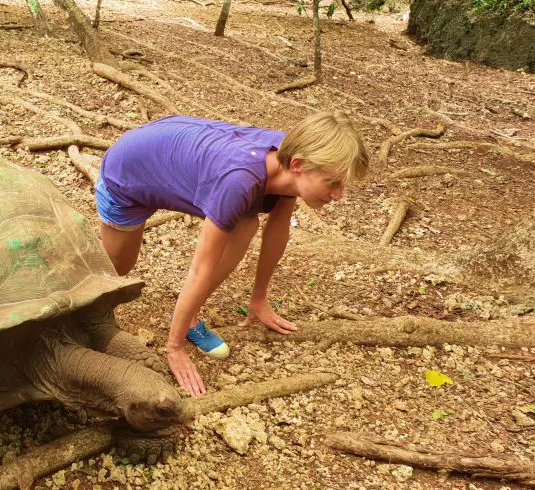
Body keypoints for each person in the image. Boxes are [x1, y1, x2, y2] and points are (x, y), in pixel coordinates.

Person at [95, 111, 369, 396]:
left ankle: (188, 319)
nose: (338, 196)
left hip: (174, 165)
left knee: (245, 224)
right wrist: (174, 348)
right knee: (116, 270)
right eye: (332, 183)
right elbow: (200, 269)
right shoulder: (238, 181)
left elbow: (277, 231)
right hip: (128, 175)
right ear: (298, 165)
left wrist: (259, 298)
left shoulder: (288, 169)